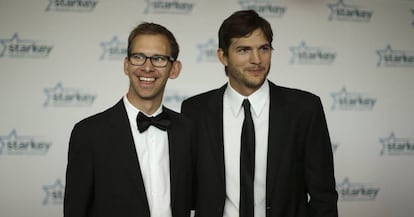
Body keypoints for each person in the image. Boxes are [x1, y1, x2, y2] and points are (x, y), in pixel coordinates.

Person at [181, 10, 338, 217]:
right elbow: (185, 192)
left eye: (264, 48)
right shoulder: (195, 110)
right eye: (244, 50)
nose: (257, 59)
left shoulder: (305, 109)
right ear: (223, 56)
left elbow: (323, 197)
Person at [64, 22, 194, 217]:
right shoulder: (89, 133)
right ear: (126, 65)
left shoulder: (188, 130)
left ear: (174, 69)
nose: (147, 67)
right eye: (138, 57)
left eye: (158, 58)